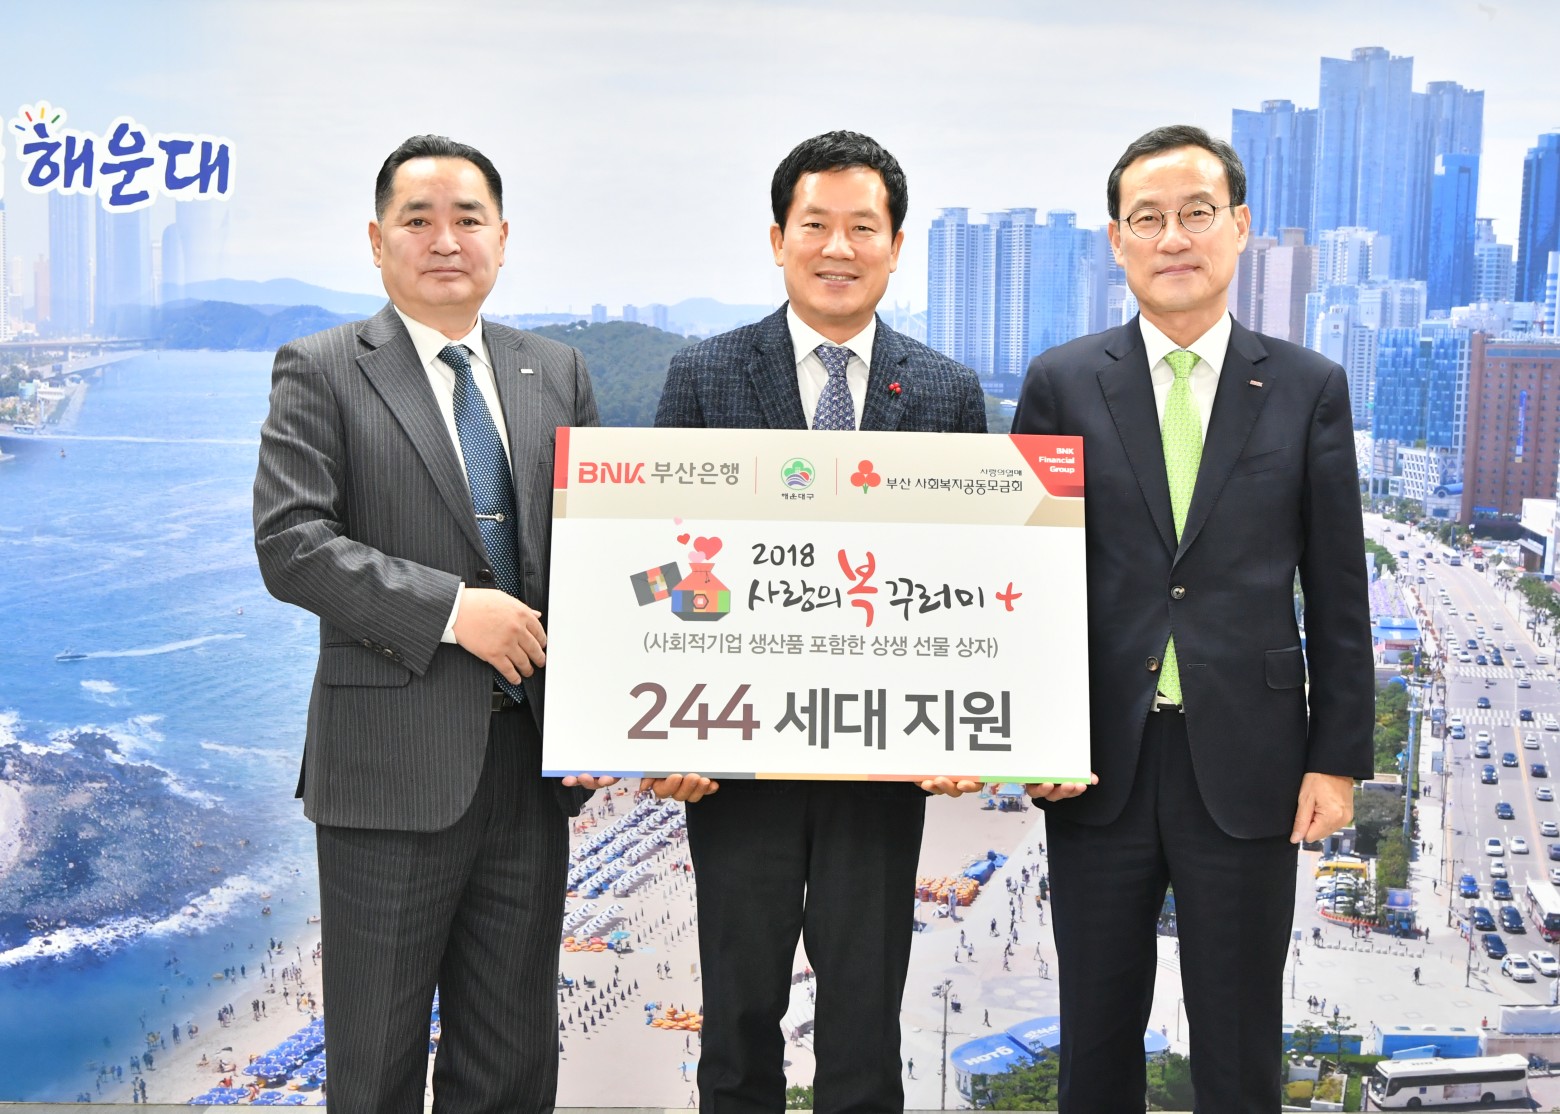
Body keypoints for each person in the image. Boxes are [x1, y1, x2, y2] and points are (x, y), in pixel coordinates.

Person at [1012, 124, 1373, 1113]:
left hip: (1253, 764)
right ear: (1117, 240)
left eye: (1196, 213)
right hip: (1098, 762)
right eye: (1148, 218)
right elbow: (1027, 580)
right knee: (1095, 1041)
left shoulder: (1307, 387)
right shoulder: (1061, 382)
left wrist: (1337, 760)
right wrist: (1035, 735)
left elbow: (1338, 588)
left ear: (1239, 226)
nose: (1173, 237)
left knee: (1240, 1044)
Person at [253, 134, 612, 1113]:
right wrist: (455, 612)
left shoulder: (555, 370)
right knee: (375, 1064)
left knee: (512, 1063)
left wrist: (598, 719)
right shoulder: (322, 368)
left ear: (503, 237)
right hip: (389, 772)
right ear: (377, 242)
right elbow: (291, 544)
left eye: (467, 218)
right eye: (418, 219)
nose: (445, 239)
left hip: (531, 772)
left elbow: (596, 560)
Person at [652, 130, 986, 1114]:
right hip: (735, 761)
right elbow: (660, 554)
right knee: (736, 1028)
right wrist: (660, 735)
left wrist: (968, 731)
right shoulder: (705, 374)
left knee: (864, 1033)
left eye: (863, 228)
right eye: (815, 225)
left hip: (880, 765)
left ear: (895, 245)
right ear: (778, 238)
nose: (838, 248)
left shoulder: (946, 391)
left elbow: (968, 577)